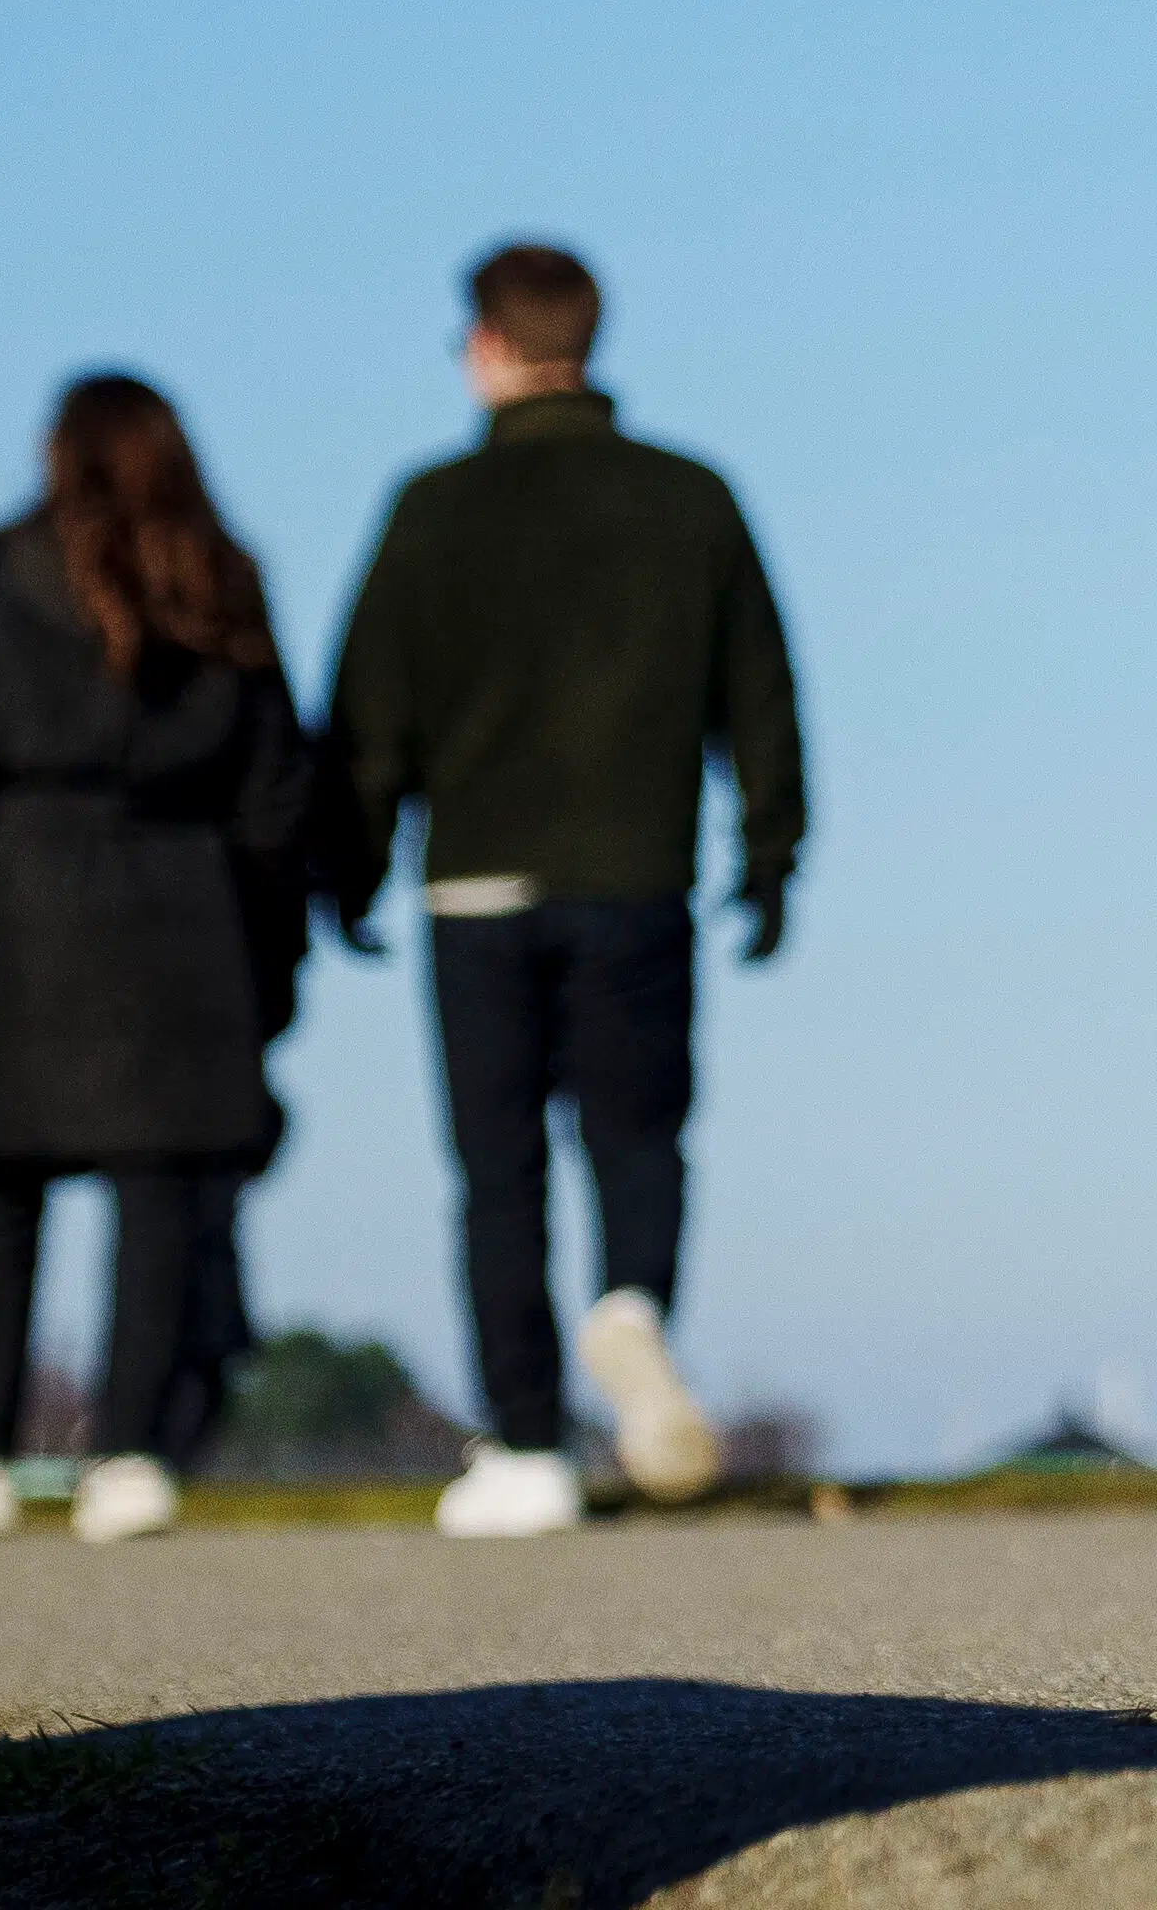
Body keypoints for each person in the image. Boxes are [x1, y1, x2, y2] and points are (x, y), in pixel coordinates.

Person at [319, 241, 806, 1539]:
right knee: (637, 1135)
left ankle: (529, 1447)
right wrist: (770, 854)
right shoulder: (690, 499)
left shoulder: (428, 509)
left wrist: (349, 863)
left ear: (485, 346)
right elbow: (758, 692)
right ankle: (629, 1310)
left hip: (473, 884)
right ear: (590, 337)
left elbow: (369, 713)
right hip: (635, 876)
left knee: (498, 1171)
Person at [0, 372, 309, 1543]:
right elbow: (273, 800)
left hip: (17, 912)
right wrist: (273, 958)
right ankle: (132, 1456)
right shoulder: (227, 583)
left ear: (55, 455)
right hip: (185, 915)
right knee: (163, 1202)